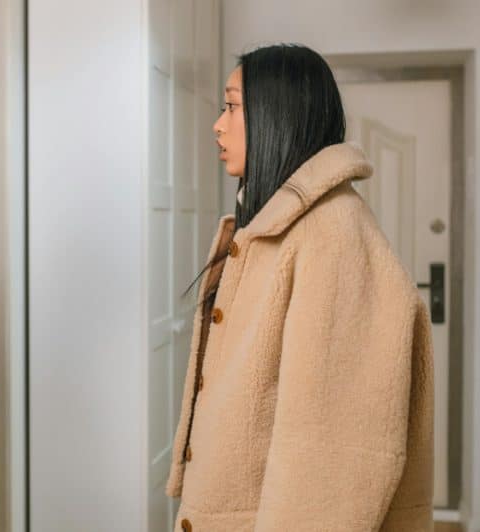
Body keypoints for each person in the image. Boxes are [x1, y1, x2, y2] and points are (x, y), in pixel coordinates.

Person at [167, 44, 434, 531]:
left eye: (231, 106)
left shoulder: (334, 237)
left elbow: (331, 458)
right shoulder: (274, 227)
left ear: (278, 116)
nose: (218, 125)